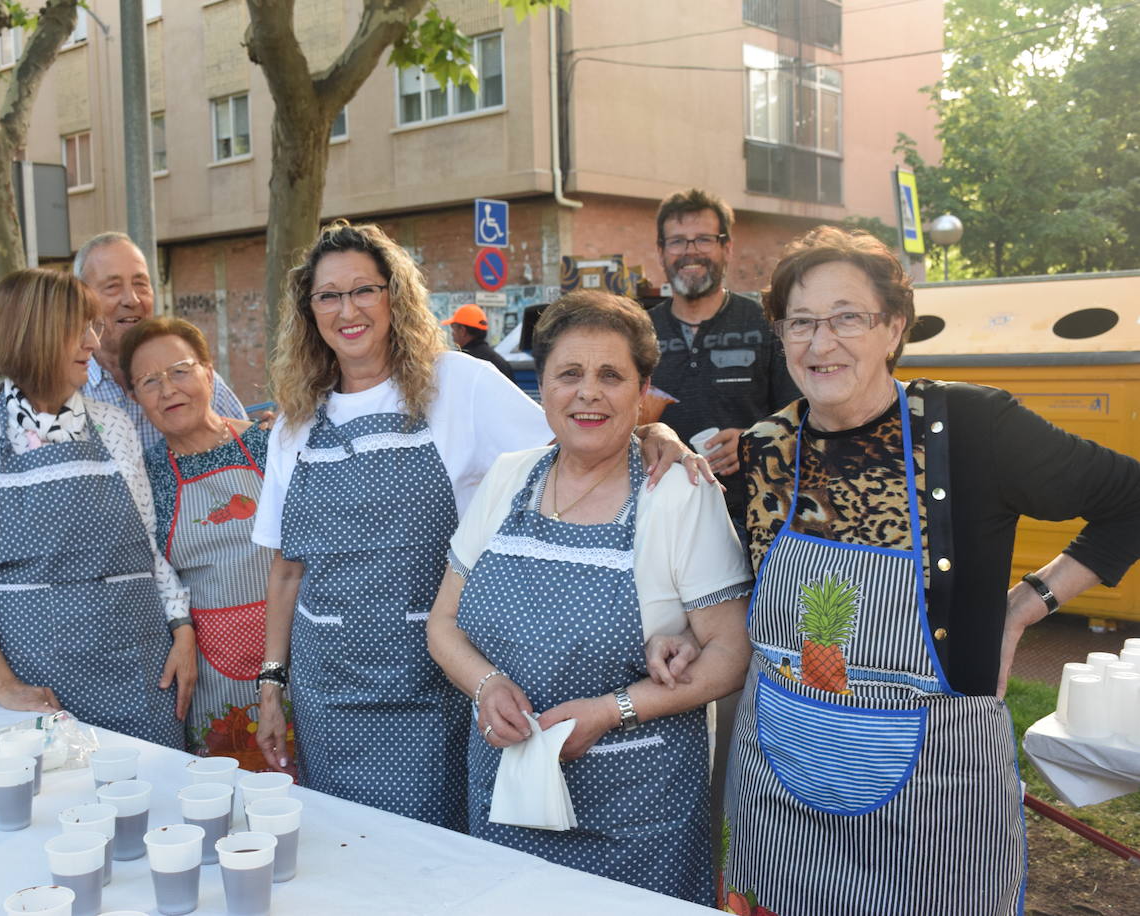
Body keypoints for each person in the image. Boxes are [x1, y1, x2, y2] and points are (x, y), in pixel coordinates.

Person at [648, 226, 1140, 915]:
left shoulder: (973, 430)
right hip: (781, 791)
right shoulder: (765, 449)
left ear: (894, 327)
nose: (822, 343)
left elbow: (1129, 501)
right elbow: (738, 586)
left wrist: (1025, 605)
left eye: (848, 317)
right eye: (801, 322)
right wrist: (689, 632)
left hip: (934, 800)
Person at [250, 220, 687, 830]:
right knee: (347, 855)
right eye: (329, 295)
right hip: (328, 695)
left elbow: (575, 437)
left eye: (364, 290)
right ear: (310, 310)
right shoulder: (294, 425)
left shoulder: (460, 384)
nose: (347, 309)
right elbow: (287, 567)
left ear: (394, 296)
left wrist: (653, 432)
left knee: (433, 860)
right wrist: (272, 680)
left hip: (434, 689)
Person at [426, 291, 753, 902]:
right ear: (541, 385)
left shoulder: (677, 493)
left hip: (637, 820)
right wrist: (486, 685)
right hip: (508, 802)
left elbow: (729, 653)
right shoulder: (507, 478)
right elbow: (444, 624)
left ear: (642, 389)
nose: (588, 393)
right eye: (568, 374)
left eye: (611, 375)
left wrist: (610, 711)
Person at [0, 269, 195, 749]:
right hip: (34, 682)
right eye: (79, 329)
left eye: (93, 327)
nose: (93, 342)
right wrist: (4, 687)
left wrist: (180, 627)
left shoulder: (114, 426)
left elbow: (147, 548)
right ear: (32, 334)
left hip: (142, 673)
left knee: (156, 812)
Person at [119, 316, 287, 762]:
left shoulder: (271, 447)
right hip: (208, 670)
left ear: (209, 373)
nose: (168, 389)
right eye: (150, 381)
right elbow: (150, 575)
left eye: (179, 370)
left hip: (291, 653)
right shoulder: (145, 476)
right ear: (136, 399)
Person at [0, 232, 248, 450]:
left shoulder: (191, 376)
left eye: (141, 284)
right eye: (112, 287)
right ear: (82, 301)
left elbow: (247, 448)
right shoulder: (56, 388)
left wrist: (270, 432)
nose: (132, 299)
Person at [647, 188, 799, 528]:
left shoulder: (766, 324)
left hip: (753, 518)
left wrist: (754, 440)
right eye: (677, 241)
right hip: (661, 517)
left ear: (726, 247)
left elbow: (803, 415)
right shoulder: (640, 331)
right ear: (661, 251)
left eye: (703, 239)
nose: (690, 252)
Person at [442, 303, 515, 380]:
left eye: (453, 328)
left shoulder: (459, 360)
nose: (452, 333)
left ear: (463, 331)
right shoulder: (501, 363)